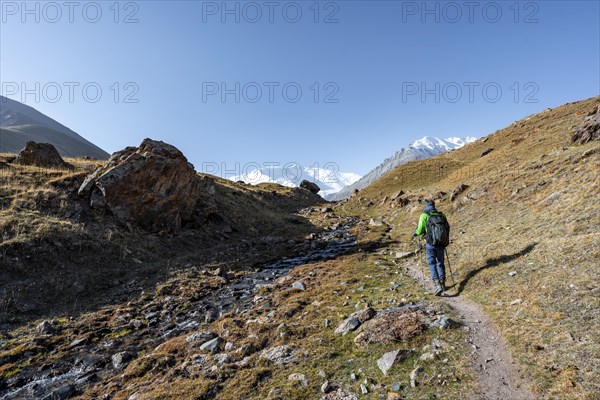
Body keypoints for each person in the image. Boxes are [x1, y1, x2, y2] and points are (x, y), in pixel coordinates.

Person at [412, 199, 448, 296]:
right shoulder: (441, 215)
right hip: (441, 243)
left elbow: (419, 230)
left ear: (426, 205)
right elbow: (447, 228)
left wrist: (414, 233)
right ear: (434, 205)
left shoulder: (424, 215)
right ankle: (443, 282)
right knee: (440, 262)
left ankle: (437, 285)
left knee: (432, 263)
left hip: (430, 244)